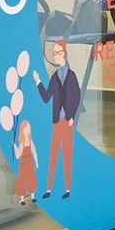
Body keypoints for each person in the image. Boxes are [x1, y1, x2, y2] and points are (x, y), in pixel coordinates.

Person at [35, 38, 81, 199]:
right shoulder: (54, 77)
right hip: (57, 122)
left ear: (64, 54)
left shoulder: (71, 76)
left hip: (67, 121)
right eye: (54, 53)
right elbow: (46, 97)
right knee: (53, 154)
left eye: (58, 52)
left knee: (67, 154)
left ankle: (68, 189)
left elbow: (77, 97)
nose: (55, 56)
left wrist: (72, 116)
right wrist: (38, 82)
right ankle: (49, 189)